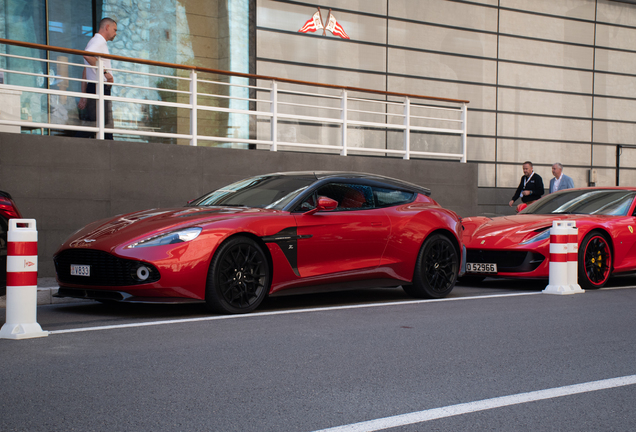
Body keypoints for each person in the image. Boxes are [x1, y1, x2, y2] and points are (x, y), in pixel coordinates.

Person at [76, 17, 117, 139]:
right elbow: (87, 54)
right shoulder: (98, 41)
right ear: (107, 27)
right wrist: (105, 72)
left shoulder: (97, 42)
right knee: (102, 125)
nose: (115, 33)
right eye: (114, 30)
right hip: (98, 87)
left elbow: (86, 68)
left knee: (98, 124)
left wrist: (84, 94)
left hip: (95, 87)